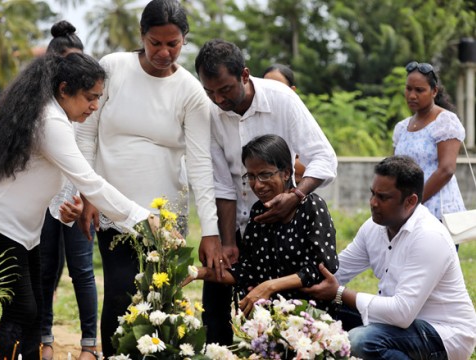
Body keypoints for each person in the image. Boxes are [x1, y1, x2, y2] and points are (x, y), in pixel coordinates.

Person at [0, 53, 157, 360]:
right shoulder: (50, 120)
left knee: (34, 308)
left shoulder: (60, 117)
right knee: (21, 309)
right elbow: (90, 182)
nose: (95, 106)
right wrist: (141, 218)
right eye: (90, 97)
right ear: (64, 89)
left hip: (23, 231)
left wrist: (64, 208)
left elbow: (44, 175)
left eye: (99, 98)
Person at [75, 0, 221, 356]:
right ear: (142, 36)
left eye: (173, 43)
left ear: (184, 40)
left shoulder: (191, 92)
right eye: (156, 42)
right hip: (113, 208)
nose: (164, 52)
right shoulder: (113, 68)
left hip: (164, 219)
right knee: (121, 293)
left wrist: (212, 231)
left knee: (160, 303)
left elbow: (201, 164)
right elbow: (85, 136)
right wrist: (87, 194)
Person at [194, 39, 337, 345]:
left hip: (288, 226)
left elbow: (324, 159)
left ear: (244, 75)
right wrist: (229, 241)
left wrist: (295, 197)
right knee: (218, 316)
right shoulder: (209, 111)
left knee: (284, 315)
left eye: (225, 90)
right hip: (240, 224)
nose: (218, 99)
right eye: (210, 92)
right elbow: (222, 183)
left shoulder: (281, 99)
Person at [305, 155, 476, 360]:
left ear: (410, 201)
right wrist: (284, 283)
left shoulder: (429, 236)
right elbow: (337, 270)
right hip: (395, 325)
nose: (373, 203)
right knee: (317, 314)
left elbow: (401, 313)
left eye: (383, 197)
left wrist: (339, 293)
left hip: (443, 333)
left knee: (361, 341)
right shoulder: (373, 227)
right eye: (372, 194)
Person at [183, 134, 338, 317]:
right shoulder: (258, 211)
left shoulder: (311, 206)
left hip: (309, 315)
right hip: (267, 318)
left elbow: (321, 268)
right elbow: (248, 271)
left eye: (265, 175)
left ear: (286, 173)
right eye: (251, 176)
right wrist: (196, 273)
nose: (257, 185)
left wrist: (269, 286)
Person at [39, 20, 98, 360]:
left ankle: (89, 344)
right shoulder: (39, 106)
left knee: (83, 271)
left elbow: (90, 155)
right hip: (44, 198)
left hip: (80, 195)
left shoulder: (87, 101)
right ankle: (45, 339)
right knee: (45, 269)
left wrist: (87, 197)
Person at [393, 61, 465, 222]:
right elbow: (394, 171)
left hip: (439, 213)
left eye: (419, 90)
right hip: (407, 214)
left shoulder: (445, 121)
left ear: (434, 91)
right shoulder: (401, 128)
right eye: (408, 88)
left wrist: (413, 203)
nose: (412, 95)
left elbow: (446, 169)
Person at [262, 64, 305, 184]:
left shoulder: (298, 117)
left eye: (278, 87)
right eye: (266, 86)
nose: (272, 92)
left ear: (292, 91)